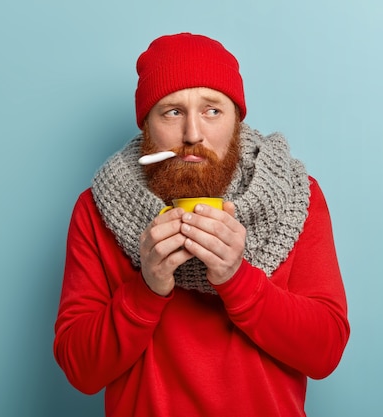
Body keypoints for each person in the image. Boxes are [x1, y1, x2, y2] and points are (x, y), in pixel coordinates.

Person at [53, 32, 350, 417]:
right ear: (147, 125)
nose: (193, 134)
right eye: (172, 112)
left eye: (212, 110)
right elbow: (81, 370)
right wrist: (146, 289)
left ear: (236, 122)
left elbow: (325, 353)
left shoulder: (295, 196)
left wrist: (237, 279)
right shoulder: (98, 207)